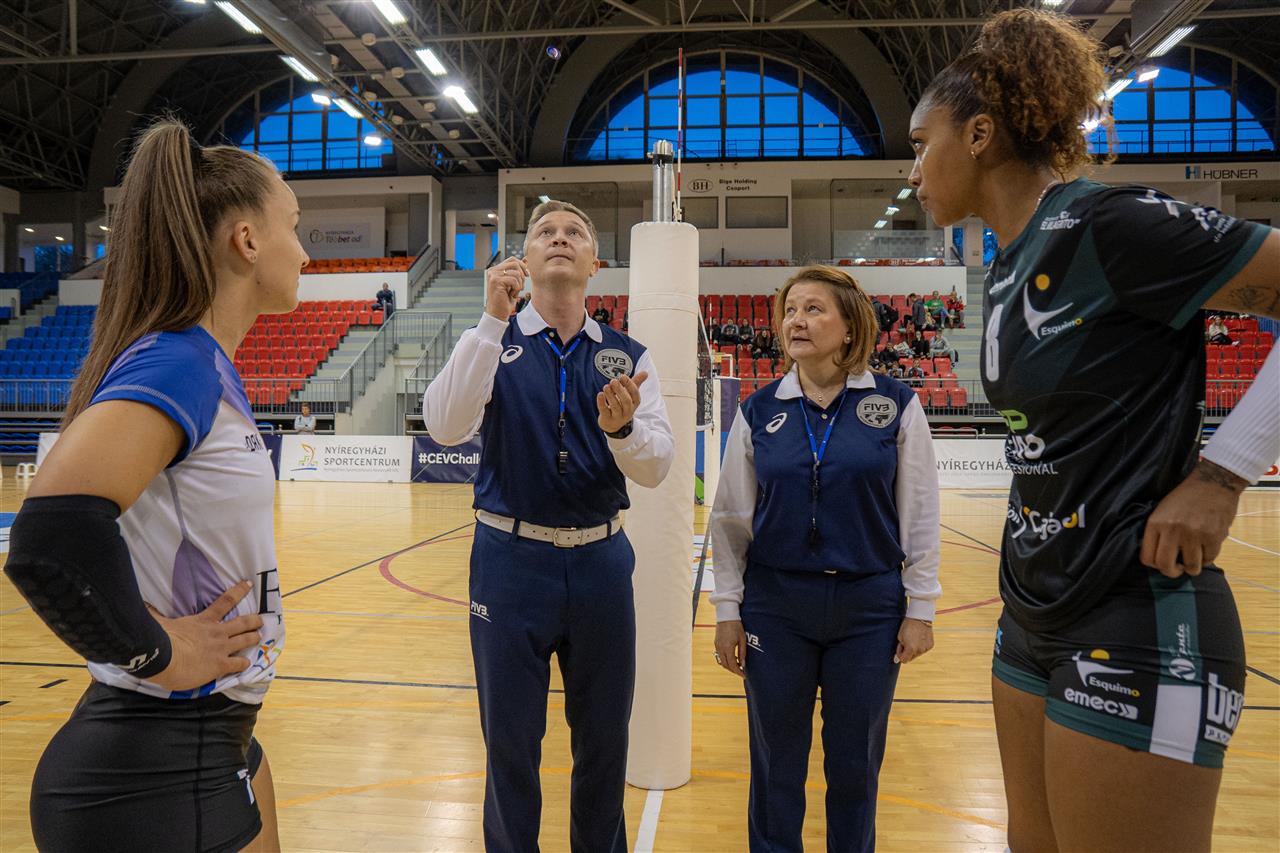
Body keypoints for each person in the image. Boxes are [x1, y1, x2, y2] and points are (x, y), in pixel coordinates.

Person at [907, 8, 1279, 851]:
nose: (914, 170)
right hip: (1030, 617)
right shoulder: (1007, 263)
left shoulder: (1111, 226)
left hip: (1138, 613)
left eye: (922, 144)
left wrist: (1225, 471)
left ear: (979, 135)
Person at [3, 120, 304, 852]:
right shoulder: (179, 364)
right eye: (294, 226)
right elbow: (48, 539)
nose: (304, 251)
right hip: (149, 776)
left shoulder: (204, 365)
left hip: (214, 743)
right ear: (247, 241)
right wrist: (156, 651)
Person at [423, 199, 675, 853]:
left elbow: (657, 466)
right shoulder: (490, 338)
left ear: (595, 264)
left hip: (600, 563)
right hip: (509, 561)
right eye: (545, 232)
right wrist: (490, 319)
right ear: (525, 259)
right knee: (509, 745)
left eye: (575, 232)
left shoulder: (628, 354)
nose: (560, 238)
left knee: (604, 743)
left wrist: (622, 430)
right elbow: (444, 425)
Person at [709, 264, 940, 853]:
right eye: (790, 310)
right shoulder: (758, 410)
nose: (797, 321)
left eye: (813, 309)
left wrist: (921, 609)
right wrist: (727, 609)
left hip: (869, 607)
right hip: (776, 607)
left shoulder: (896, 404)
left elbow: (919, 513)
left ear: (849, 325)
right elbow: (730, 520)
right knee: (775, 764)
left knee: (855, 765)